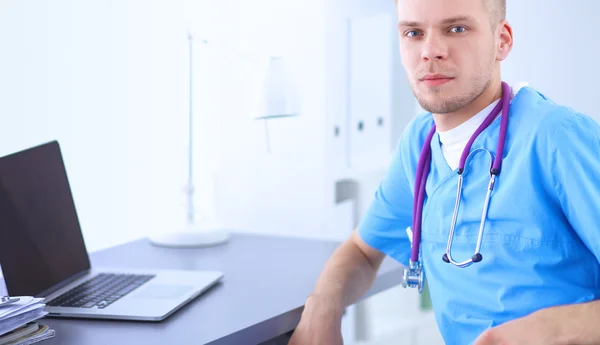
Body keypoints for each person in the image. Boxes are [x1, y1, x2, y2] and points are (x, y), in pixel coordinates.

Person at [288, 0, 600, 344]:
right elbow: (362, 252)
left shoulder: (557, 138)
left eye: (456, 29)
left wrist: (550, 330)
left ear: (503, 40)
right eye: (413, 32)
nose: (430, 51)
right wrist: (323, 306)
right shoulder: (420, 145)